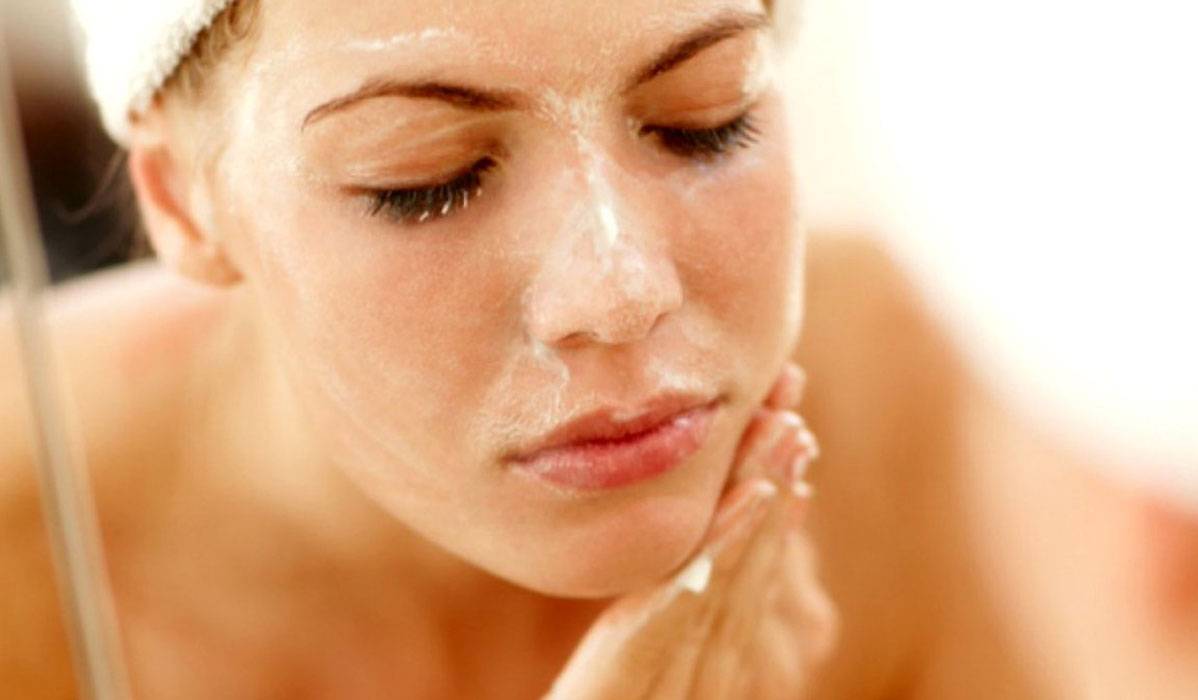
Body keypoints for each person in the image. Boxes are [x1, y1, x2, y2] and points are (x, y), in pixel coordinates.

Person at [1, 0, 837, 697]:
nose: (620, 294)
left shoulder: (879, 403)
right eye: (429, 182)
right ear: (182, 201)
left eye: (705, 122)